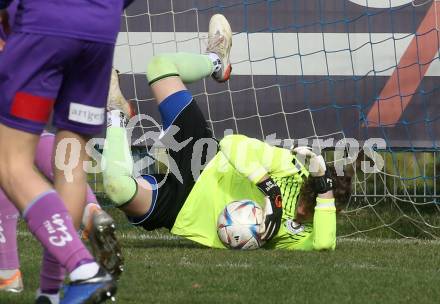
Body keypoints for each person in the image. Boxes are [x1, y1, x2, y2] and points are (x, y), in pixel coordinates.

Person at [102, 14, 353, 251]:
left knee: (118, 189)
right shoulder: (292, 169)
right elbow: (232, 144)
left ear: (328, 210)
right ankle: (215, 60)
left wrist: (325, 193)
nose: (300, 209)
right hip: (204, 159)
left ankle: (117, 113)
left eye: (311, 208)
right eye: (304, 198)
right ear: (306, 184)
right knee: (160, 67)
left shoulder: (305, 233)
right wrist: (270, 189)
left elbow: (324, 245)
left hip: (183, 211)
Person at [0, 0, 133, 302]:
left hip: (42, 28)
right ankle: (50, 293)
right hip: (99, 29)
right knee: (71, 169)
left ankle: (83, 268)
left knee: (9, 162)